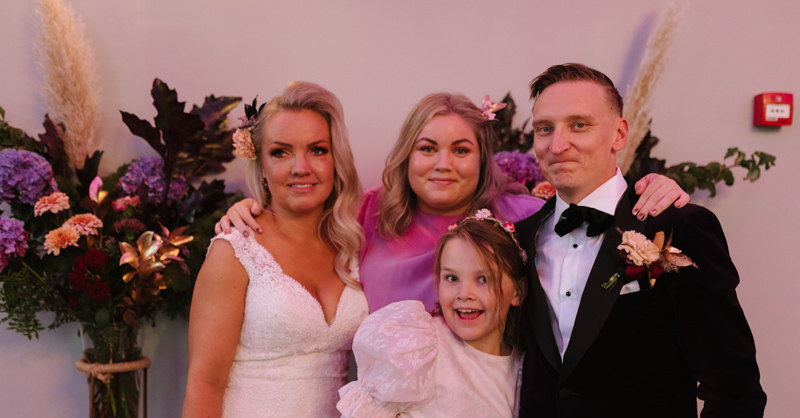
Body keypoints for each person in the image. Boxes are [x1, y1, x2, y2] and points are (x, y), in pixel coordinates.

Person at [479, 63, 766, 418]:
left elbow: (732, 384)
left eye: (579, 125)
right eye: (545, 128)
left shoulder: (679, 228)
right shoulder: (518, 240)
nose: (557, 143)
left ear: (619, 134)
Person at [217, 93, 689, 312]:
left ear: (483, 160)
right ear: (407, 155)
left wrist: (655, 189)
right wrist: (247, 211)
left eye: (461, 150)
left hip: (491, 414)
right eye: (427, 148)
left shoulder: (525, 218)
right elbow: (297, 224)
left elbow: (600, 215)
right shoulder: (367, 213)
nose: (442, 164)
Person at [181, 82, 369, 418]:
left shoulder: (356, 245)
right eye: (281, 152)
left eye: (317, 150)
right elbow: (205, 383)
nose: (301, 168)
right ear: (261, 165)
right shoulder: (235, 249)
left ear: (336, 160)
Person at [328, 213, 528, 418]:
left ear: (517, 291)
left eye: (483, 279)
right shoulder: (419, 346)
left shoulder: (523, 369)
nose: (464, 293)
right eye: (452, 278)